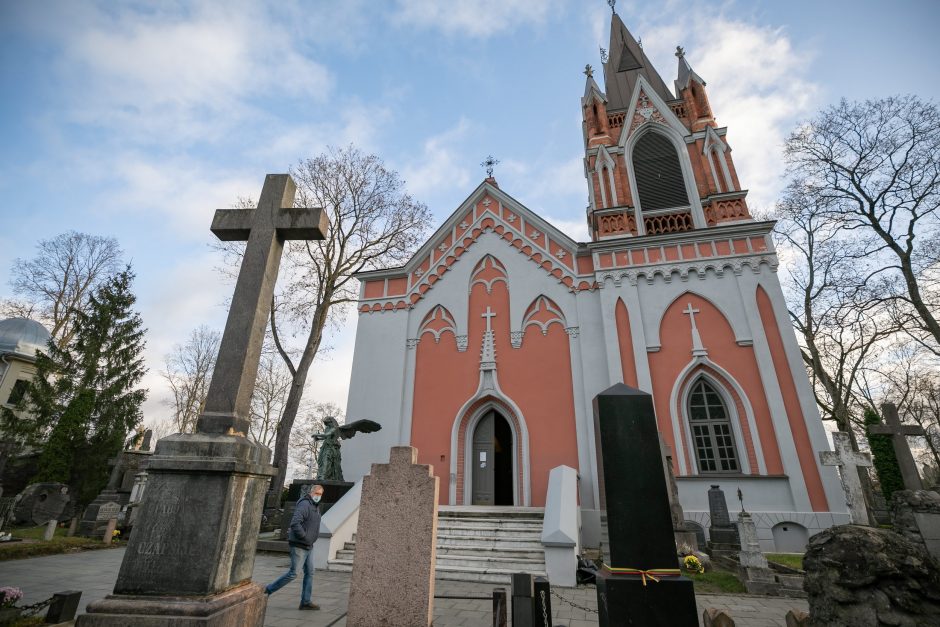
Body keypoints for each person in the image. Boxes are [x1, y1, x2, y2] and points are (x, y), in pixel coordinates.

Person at [265, 484, 324, 610]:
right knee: (293, 573)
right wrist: (305, 537)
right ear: (311, 492)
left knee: (310, 572)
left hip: (309, 545)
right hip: (299, 545)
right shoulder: (305, 504)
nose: (318, 496)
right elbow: (295, 523)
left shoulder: (315, 506)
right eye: (317, 493)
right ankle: (267, 591)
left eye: (320, 494)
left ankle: (306, 602)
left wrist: (310, 539)